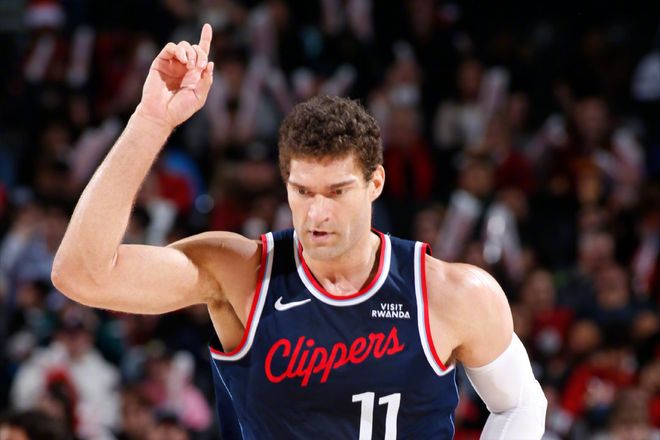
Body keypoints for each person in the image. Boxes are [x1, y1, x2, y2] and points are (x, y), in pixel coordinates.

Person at [52, 24, 547, 439]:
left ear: (375, 183)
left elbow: (521, 404)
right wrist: (150, 121)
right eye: (303, 191)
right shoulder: (241, 272)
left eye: (336, 191)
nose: (317, 213)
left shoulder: (450, 292)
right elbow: (82, 274)